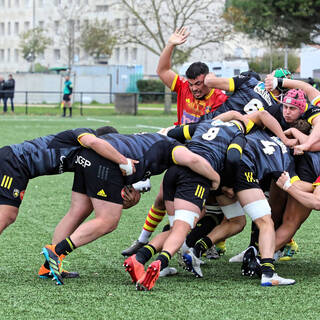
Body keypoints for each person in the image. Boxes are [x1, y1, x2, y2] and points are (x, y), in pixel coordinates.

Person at [41, 131, 221, 285]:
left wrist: (126, 192)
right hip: (104, 162)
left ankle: (48, 267)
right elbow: (192, 160)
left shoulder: (152, 140)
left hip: (87, 156)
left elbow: (135, 163)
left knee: (76, 212)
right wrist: (215, 179)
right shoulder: (173, 147)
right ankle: (57, 251)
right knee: (108, 221)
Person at [121, 27, 228, 257]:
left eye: (199, 83)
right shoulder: (183, 87)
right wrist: (170, 44)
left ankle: (211, 245)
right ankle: (143, 240)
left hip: (205, 155)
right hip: (179, 152)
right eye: (192, 84)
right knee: (162, 198)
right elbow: (162, 70)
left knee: (208, 202)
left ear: (207, 79)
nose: (195, 88)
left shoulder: (220, 97)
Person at [0, 126, 137, 244]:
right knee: (8, 215)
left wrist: (123, 199)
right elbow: (93, 142)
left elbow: (99, 198)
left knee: (8, 215)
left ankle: (52, 261)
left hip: (19, 167)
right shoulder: (86, 134)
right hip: (14, 161)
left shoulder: (91, 158)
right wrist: (123, 161)